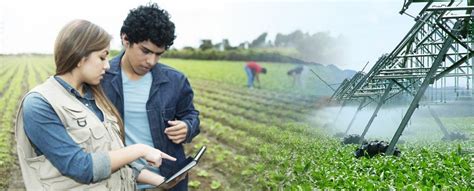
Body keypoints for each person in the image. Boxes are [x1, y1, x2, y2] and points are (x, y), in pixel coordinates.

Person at [15, 20, 179, 190]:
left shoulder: (96, 98)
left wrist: (160, 181)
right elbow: (80, 167)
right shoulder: (39, 103)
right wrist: (139, 150)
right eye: (102, 57)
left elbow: (113, 161)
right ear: (79, 56)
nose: (107, 65)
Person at [101, 3, 200, 190]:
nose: (151, 61)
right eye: (145, 51)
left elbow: (191, 116)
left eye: (158, 54)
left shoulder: (175, 81)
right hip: (121, 181)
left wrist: (187, 127)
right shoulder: (101, 79)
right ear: (125, 39)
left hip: (170, 179)